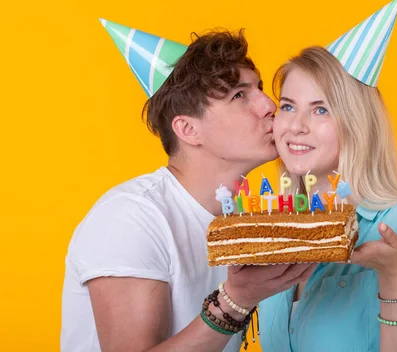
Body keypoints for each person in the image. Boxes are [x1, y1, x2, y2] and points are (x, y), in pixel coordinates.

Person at [61, 28, 317, 352]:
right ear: (188, 129)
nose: (269, 105)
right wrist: (235, 301)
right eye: (239, 95)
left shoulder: (242, 220)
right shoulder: (131, 219)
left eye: (260, 88)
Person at [258, 0, 397, 352]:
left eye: (321, 109)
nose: (296, 126)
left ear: (357, 124)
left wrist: (394, 275)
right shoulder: (276, 233)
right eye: (288, 106)